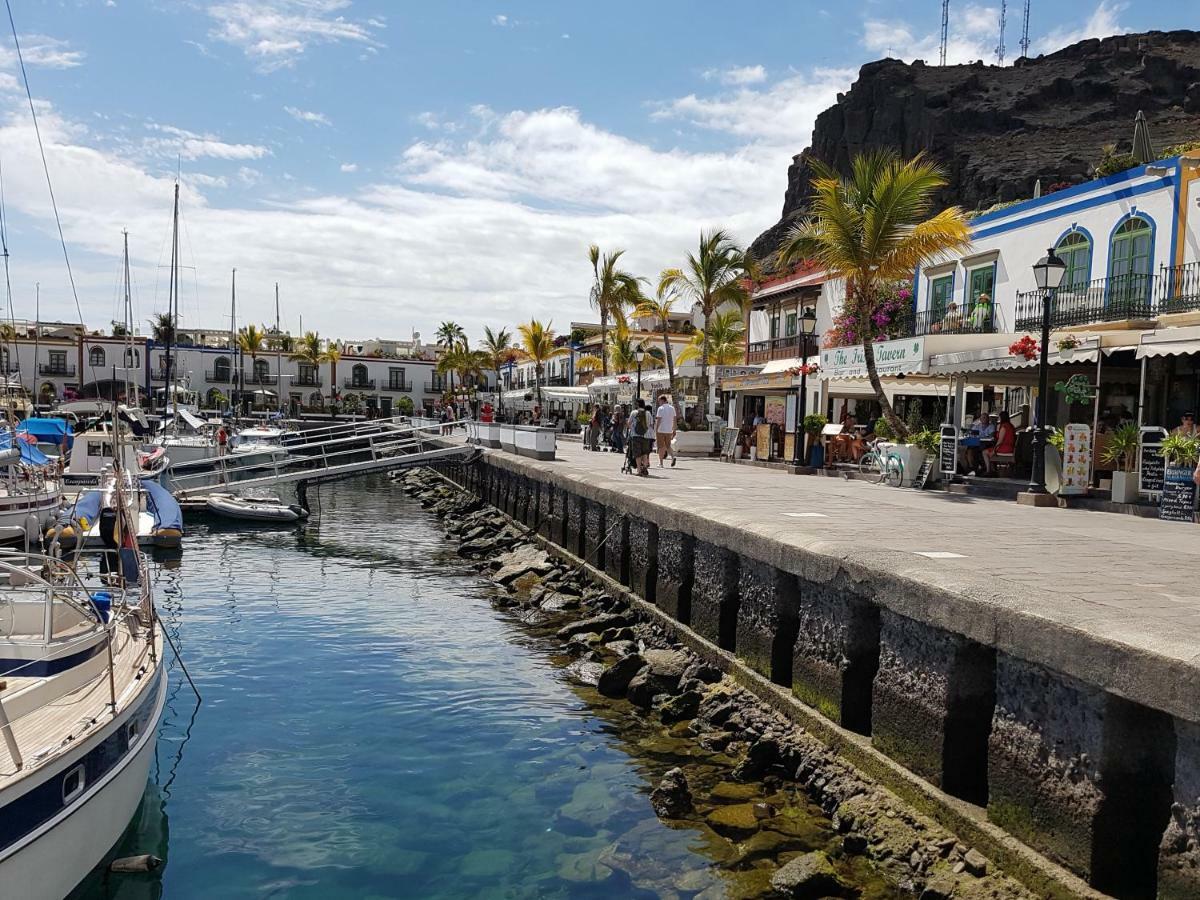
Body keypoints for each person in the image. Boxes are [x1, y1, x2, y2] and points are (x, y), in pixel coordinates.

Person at [984, 410, 1016, 475]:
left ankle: (988, 470)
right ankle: (993, 469)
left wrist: (994, 451)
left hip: (1005, 448)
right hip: (1011, 447)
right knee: (989, 450)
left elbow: (1000, 441)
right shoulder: (1011, 426)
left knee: (984, 452)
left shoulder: (1004, 427)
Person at [628, 398, 653, 476]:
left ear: (637, 404)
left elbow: (629, 423)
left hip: (635, 436)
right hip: (646, 436)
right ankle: (645, 468)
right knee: (645, 453)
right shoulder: (648, 413)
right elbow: (651, 424)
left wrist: (631, 429)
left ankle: (639, 470)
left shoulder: (634, 412)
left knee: (637, 454)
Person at [654, 394, 677, 468]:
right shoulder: (672, 408)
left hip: (661, 430)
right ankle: (673, 457)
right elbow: (674, 419)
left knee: (661, 447)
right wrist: (674, 429)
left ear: (662, 400)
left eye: (659, 401)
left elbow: (659, 420)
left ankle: (661, 463)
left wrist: (656, 429)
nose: (658, 402)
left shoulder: (660, 408)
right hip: (669, 430)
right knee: (668, 446)